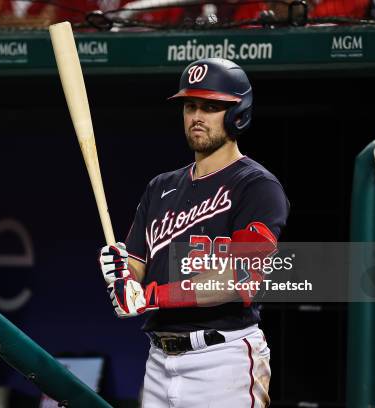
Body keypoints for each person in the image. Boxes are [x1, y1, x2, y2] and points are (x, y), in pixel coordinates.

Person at [99, 58, 289, 407]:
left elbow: (240, 277)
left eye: (211, 107)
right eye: (190, 106)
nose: (197, 116)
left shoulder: (256, 186)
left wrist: (151, 296)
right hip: (158, 359)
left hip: (224, 358)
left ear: (238, 113)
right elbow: (138, 263)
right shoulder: (160, 187)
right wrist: (122, 276)